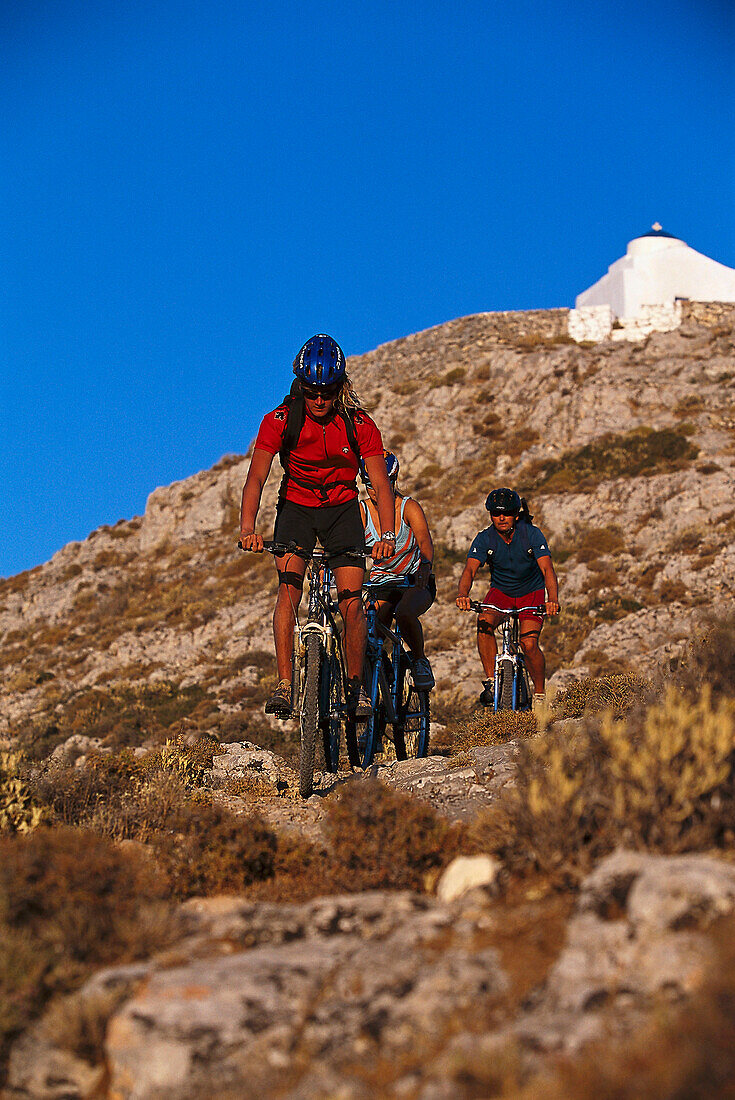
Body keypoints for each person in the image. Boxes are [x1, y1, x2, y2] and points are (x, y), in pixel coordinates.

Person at [239, 334, 396, 719]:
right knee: (289, 589)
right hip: (296, 507)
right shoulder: (279, 420)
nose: (320, 400)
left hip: (342, 510)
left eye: (327, 392)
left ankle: (356, 688)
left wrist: (388, 536)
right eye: (312, 392)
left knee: (352, 604)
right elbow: (256, 477)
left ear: (339, 387)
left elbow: (379, 484)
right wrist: (248, 527)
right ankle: (285, 685)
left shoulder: (360, 425)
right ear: (300, 386)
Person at [455, 487, 559, 710]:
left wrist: (553, 600)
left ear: (516, 514)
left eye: (507, 513)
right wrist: (463, 595)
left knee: (529, 644)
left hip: (531, 593)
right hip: (501, 593)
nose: (501, 518)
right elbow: (469, 571)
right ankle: (492, 682)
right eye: (495, 513)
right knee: (483, 622)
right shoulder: (485, 538)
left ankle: (539, 694)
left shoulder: (531, 534)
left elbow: (547, 569)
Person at [360, 450, 436, 690]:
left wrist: (425, 566)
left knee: (404, 614)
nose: (376, 490)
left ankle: (419, 659)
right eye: (370, 485)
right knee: (365, 629)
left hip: (413, 580)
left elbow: (424, 541)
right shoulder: (362, 511)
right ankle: (374, 682)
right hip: (381, 583)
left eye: (384, 483)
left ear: (393, 480)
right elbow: (349, 543)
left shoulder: (408, 507)